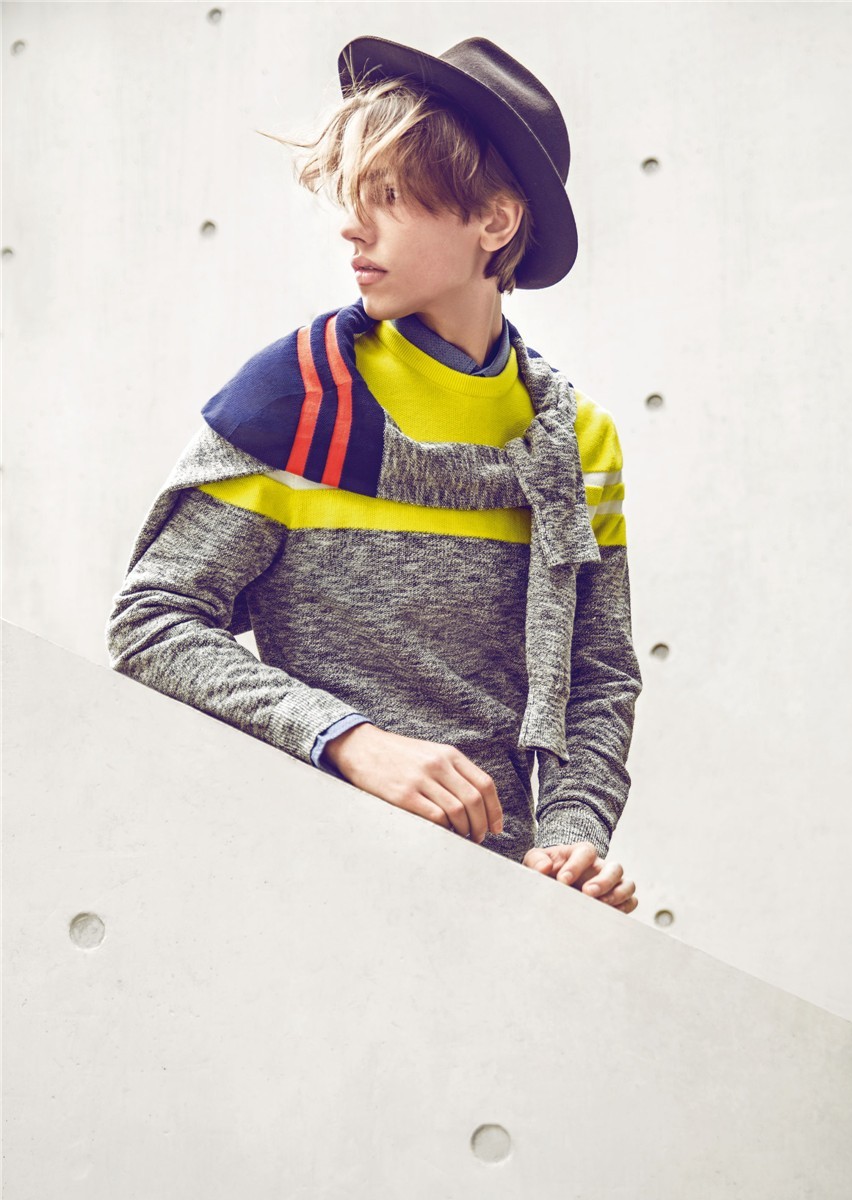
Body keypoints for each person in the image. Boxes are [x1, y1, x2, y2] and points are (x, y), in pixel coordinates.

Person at [106, 35, 643, 913]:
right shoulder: (299, 398)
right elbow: (152, 622)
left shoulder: (576, 444)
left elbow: (599, 675)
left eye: (388, 196)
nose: (353, 227)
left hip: (503, 904)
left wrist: (571, 843)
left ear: (495, 223)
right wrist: (350, 739)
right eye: (354, 197)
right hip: (302, 886)